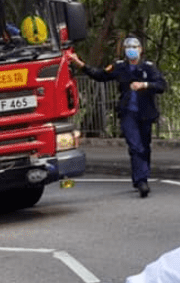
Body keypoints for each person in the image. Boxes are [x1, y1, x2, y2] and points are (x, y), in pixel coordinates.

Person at [70, 36, 167, 198]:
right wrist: (81, 65)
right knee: (135, 146)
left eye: (135, 47)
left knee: (145, 146)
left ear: (140, 50)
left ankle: (142, 176)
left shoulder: (149, 68)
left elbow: (162, 85)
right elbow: (100, 75)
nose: (131, 50)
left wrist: (145, 85)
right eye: (128, 47)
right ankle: (142, 181)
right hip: (128, 113)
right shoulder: (119, 67)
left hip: (145, 113)